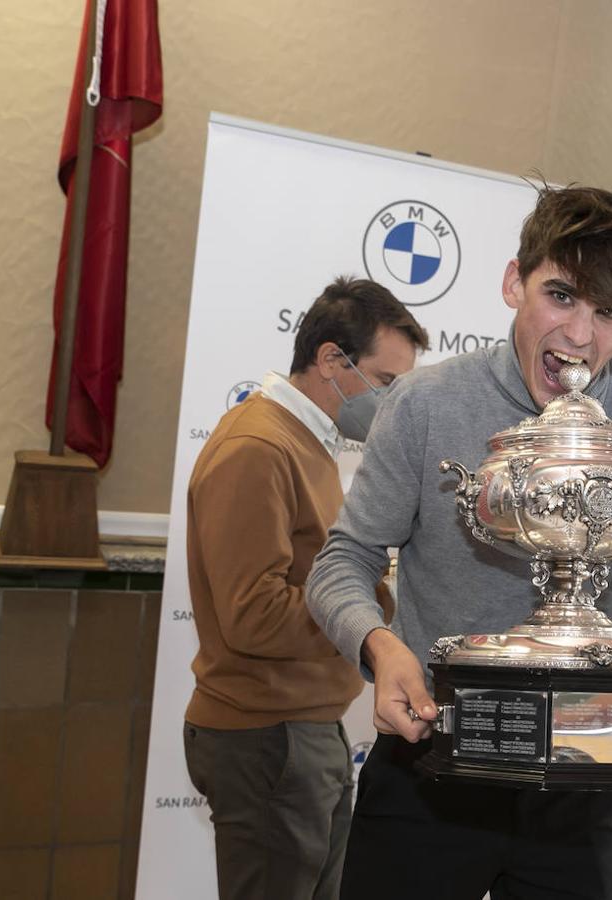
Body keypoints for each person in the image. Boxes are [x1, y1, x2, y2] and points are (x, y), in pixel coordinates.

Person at [306, 186, 612, 900]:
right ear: (515, 282)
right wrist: (382, 649)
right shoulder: (425, 402)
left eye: (608, 312)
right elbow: (343, 562)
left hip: (584, 764)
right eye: (562, 295)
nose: (580, 335)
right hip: (433, 761)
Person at [183, 276, 429, 900]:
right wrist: (362, 618)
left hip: (301, 730)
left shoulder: (308, 443)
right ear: (330, 360)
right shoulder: (258, 446)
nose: (393, 403)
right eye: (387, 382)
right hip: (266, 736)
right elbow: (253, 615)